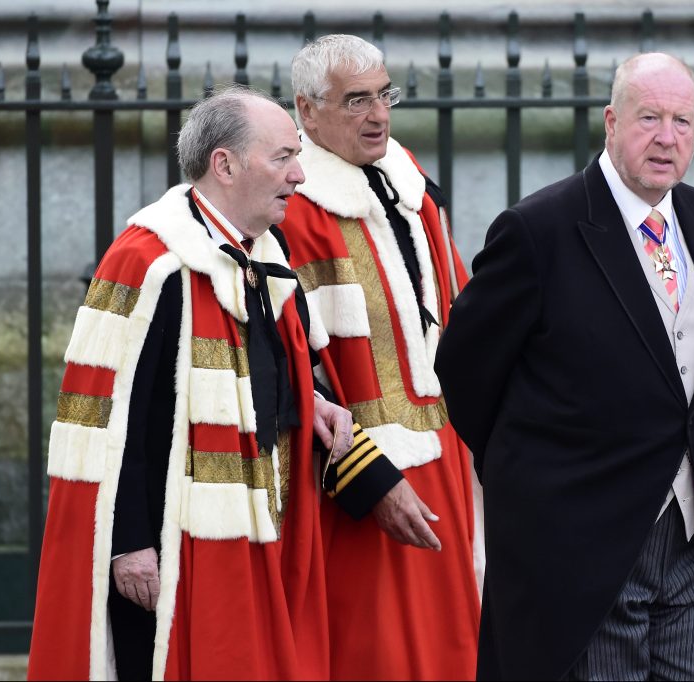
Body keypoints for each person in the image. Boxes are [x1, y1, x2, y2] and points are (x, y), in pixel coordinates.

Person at [26, 86, 391, 680]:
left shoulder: (262, 257)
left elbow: (262, 370)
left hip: (255, 530)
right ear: (224, 164)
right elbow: (112, 419)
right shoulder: (150, 262)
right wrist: (128, 544)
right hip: (170, 545)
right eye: (282, 158)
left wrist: (313, 400)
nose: (300, 174)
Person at [435, 52, 694, 681]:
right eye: (649, 118)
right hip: (583, 544)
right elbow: (466, 370)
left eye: (683, 122)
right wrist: (535, 481)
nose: (667, 138)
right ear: (611, 122)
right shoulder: (538, 230)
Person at [276, 33, 481, 680]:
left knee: (455, 648)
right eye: (356, 101)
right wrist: (369, 478)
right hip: (354, 489)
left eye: (384, 95)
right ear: (307, 112)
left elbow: (460, 312)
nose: (379, 116)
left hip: (447, 461)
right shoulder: (289, 210)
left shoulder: (408, 180)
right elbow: (286, 368)